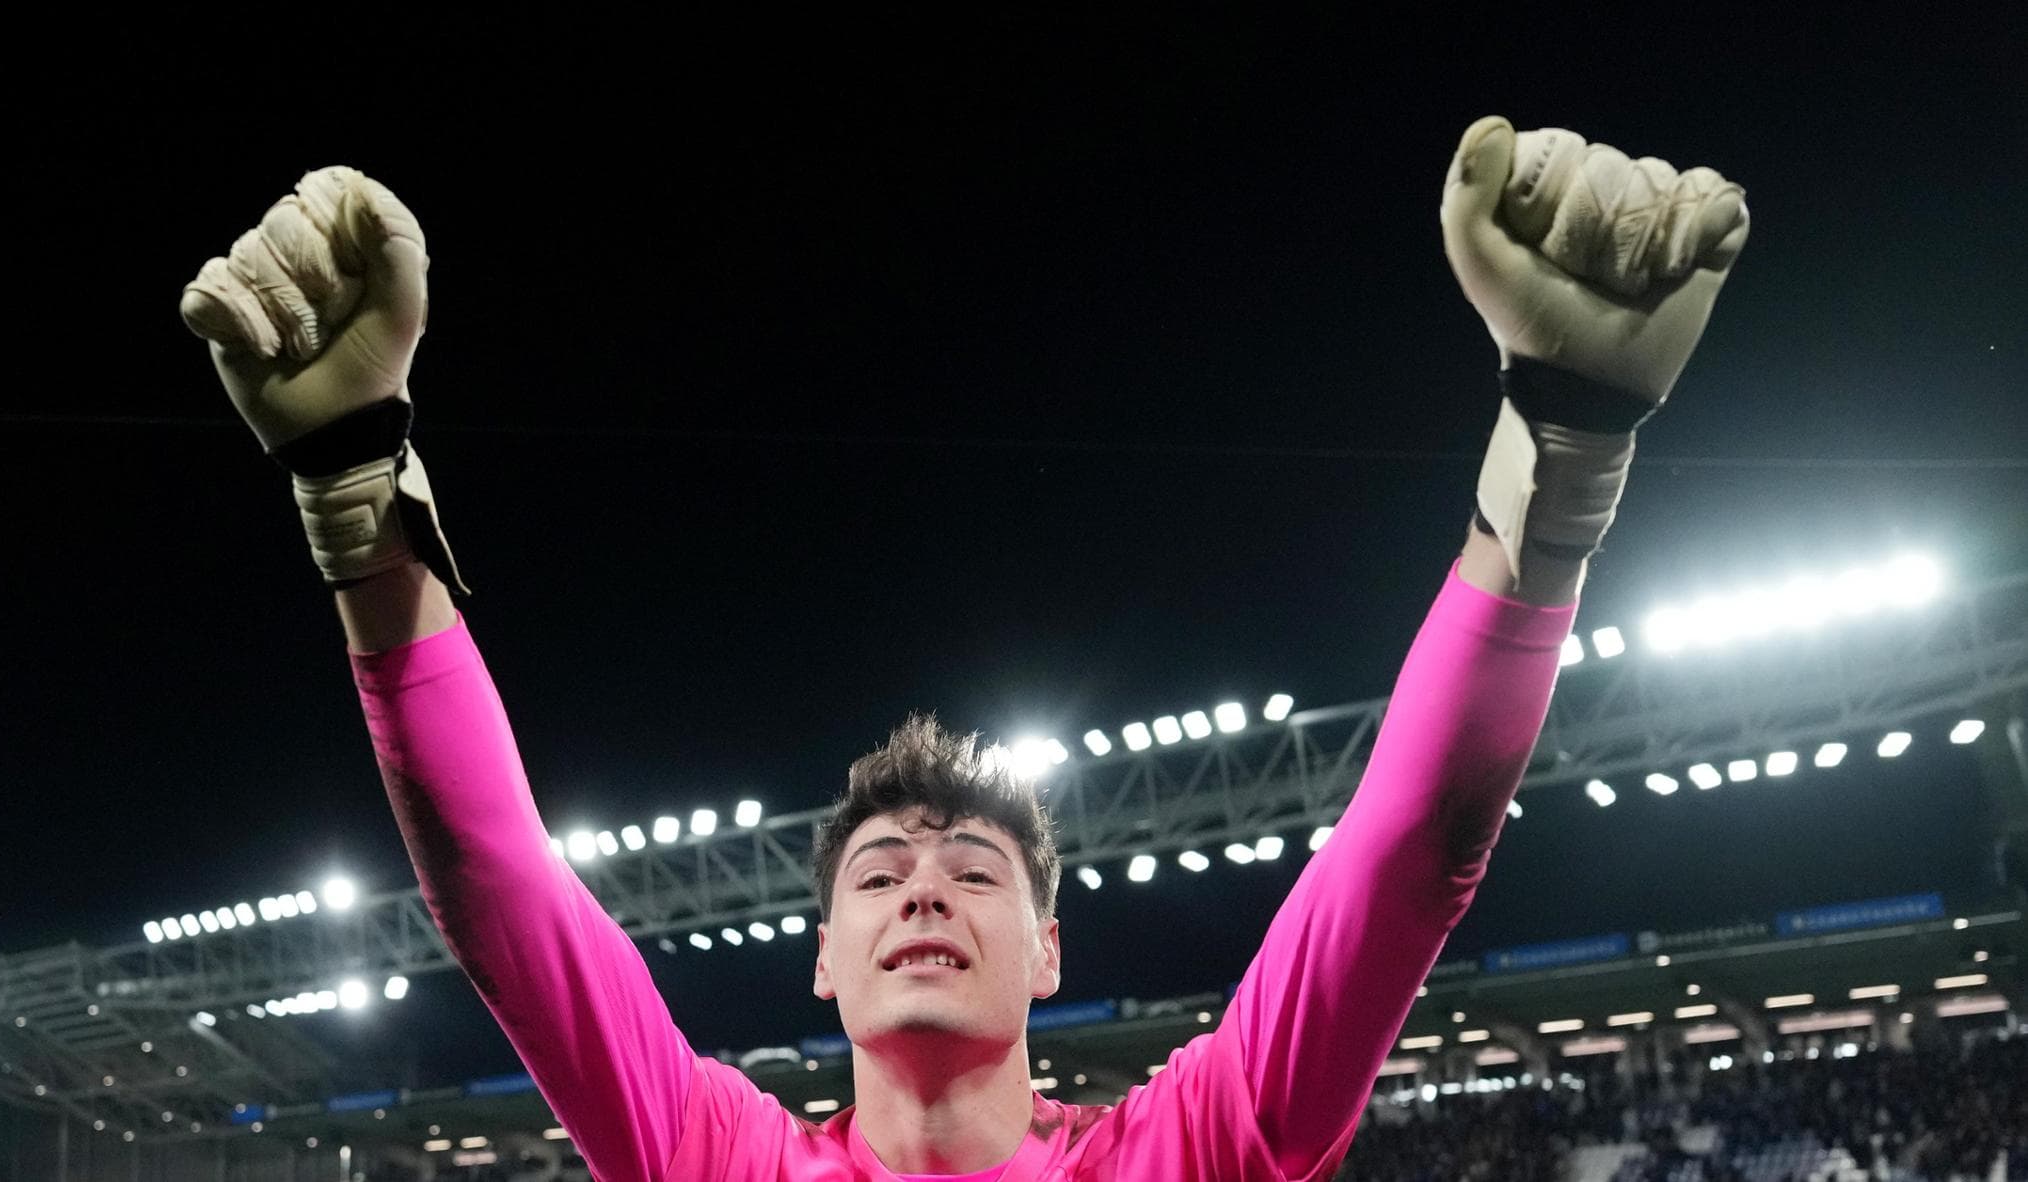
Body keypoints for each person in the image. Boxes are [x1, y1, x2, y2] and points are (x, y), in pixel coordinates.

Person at [179, 116, 1749, 1181]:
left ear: (1050, 949)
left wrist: (1563, 454)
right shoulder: (717, 1155)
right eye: (879, 874)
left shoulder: (1191, 1148)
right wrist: (356, 492)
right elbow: (501, 891)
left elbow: (1405, 856)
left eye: (973, 870)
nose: (924, 888)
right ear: (821, 955)